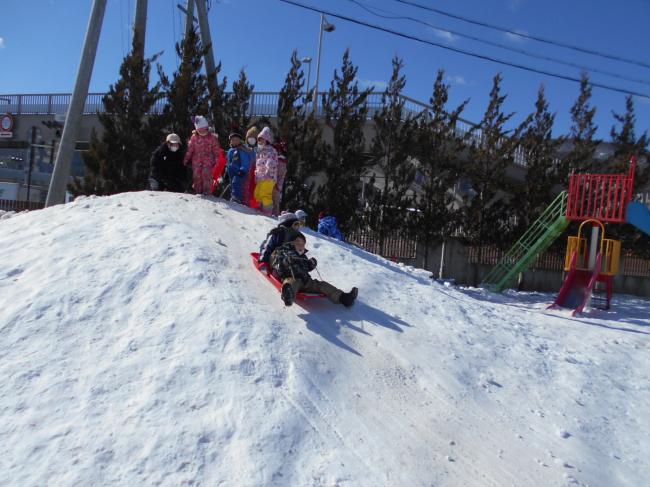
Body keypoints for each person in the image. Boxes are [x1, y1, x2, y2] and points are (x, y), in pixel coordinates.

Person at [271, 230, 358, 307]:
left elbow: (305, 269)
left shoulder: (303, 255)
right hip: (291, 278)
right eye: (298, 242)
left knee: (322, 285)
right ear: (290, 242)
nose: (301, 244)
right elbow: (276, 267)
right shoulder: (282, 252)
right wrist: (285, 262)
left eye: (303, 243)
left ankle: (344, 298)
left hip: (306, 281)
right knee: (291, 283)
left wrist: (310, 264)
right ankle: (288, 296)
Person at [183, 115, 225, 195]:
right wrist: (186, 159)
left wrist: (216, 161)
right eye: (200, 130)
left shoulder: (212, 138)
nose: (202, 132)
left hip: (208, 161)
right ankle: (198, 191)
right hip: (196, 160)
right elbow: (190, 149)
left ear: (207, 128)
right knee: (197, 175)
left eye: (204, 130)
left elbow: (216, 151)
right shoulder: (194, 137)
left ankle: (207, 191)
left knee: (206, 176)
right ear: (197, 130)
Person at [254, 126, 278, 215]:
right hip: (261, 177)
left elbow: (271, 162)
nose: (260, 141)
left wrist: (268, 171)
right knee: (258, 193)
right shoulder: (260, 151)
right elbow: (258, 164)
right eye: (259, 140)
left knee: (265, 194)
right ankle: (260, 209)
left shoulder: (271, 150)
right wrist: (257, 173)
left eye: (262, 140)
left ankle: (267, 212)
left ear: (267, 140)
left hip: (268, 177)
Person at [225, 131, 251, 203]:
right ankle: (233, 197)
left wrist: (243, 170)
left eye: (236, 140)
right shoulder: (230, 151)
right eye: (233, 140)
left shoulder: (241, 150)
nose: (235, 142)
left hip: (240, 172)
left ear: (240, 141)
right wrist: (226, 171)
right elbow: (228, 162)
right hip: (231, 171)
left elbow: (245, 161)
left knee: (236, 182)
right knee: (232, 184)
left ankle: (237, 198)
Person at [243, 126, 259, 207]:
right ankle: (245, 202)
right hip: (246, 170)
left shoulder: (258, 150)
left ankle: (253, 204)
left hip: (255, 172)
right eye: (249, 139)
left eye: (253, 139)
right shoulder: (244, 148)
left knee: (253, 189)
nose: (251, 141)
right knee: (246, 187)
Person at [272, 139, 288, 216]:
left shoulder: (280, 161)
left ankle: (274, 215)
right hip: (275, 184)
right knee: (274, 201)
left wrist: (278, 185)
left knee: (274, 201)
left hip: (275, 185)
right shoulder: (280, 161)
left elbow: (280, 175)